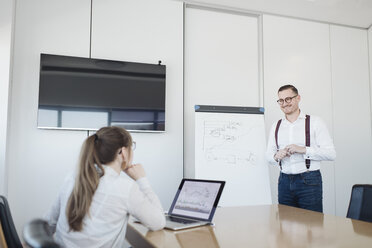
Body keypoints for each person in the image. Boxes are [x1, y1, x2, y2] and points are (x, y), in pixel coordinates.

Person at [45, 126, 166, 248]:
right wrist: (142, 179)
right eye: (132, 146)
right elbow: (158, 222)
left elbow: (49, 222)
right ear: (123, 152)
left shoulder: (72, 177)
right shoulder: (125, 187)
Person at [266, 85, 336, 212]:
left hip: (309, 181)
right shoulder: (276, 126)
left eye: (288, 99)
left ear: (298, 98)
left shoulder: (315, 122)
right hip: (284, 182)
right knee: (286, 226)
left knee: (312, 226)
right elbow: (269, 157)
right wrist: (276, 156)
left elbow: (331, 154)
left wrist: (303, 150)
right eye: (281, 100)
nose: (284, 104)